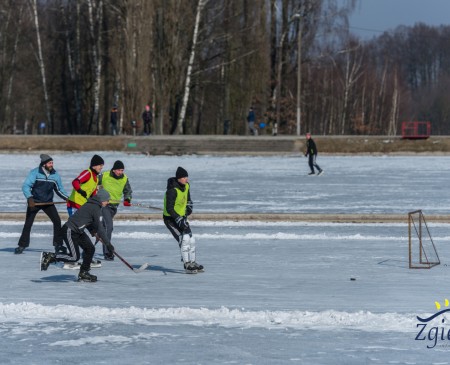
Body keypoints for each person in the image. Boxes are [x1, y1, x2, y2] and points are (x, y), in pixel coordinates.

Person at [40, 189, 114, 282]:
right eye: (107, 200)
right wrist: (108, 244)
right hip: (70, 231)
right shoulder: (95, 208)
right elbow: (100, 228)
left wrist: (92, 231)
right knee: (74, 257)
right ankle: (51, 257)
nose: (108, 202)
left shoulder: (94, 205)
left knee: (90, 249)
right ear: (102, 199)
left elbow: (87, 220)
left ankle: (84, 273)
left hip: (78, 231)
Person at [15, 154, 69, 255]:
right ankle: (22, 245)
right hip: (34, 202)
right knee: (28, 224)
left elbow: (59, 189)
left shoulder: (55, 175)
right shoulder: (35, 173)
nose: (52, 164)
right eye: (50, 163)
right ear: (44, 164)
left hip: (48, 203)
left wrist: (67, 198)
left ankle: (58, 245)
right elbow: (26, 186)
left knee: (57, 221)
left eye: (52, 162)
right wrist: (30, 198)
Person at [163, 166, 203, 273]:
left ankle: (193, 262)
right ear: (179, 178)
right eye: (184, 177)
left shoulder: (187, 186)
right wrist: (178, 218)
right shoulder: (172, 191)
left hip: (181, 217)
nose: (187, 179)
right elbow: (169, 208)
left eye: (187, 177)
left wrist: (189, 207)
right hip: (171, 219)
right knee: (184, 239)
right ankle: (187, 264)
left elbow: (188, 199)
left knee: (191, 239)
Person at [98, 160, 133, 260]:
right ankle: (108, 252)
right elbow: (94, 184)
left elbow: (128, 191)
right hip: (104, 206)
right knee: (109, 227)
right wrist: (101, 194)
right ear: (113, 170)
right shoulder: (104, 175)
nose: (120, 172)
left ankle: (89, 248)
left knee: (103, 229)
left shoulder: (124, 178)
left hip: (114, 207)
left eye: (122, 170)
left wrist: (127, 199)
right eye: (118, 170)